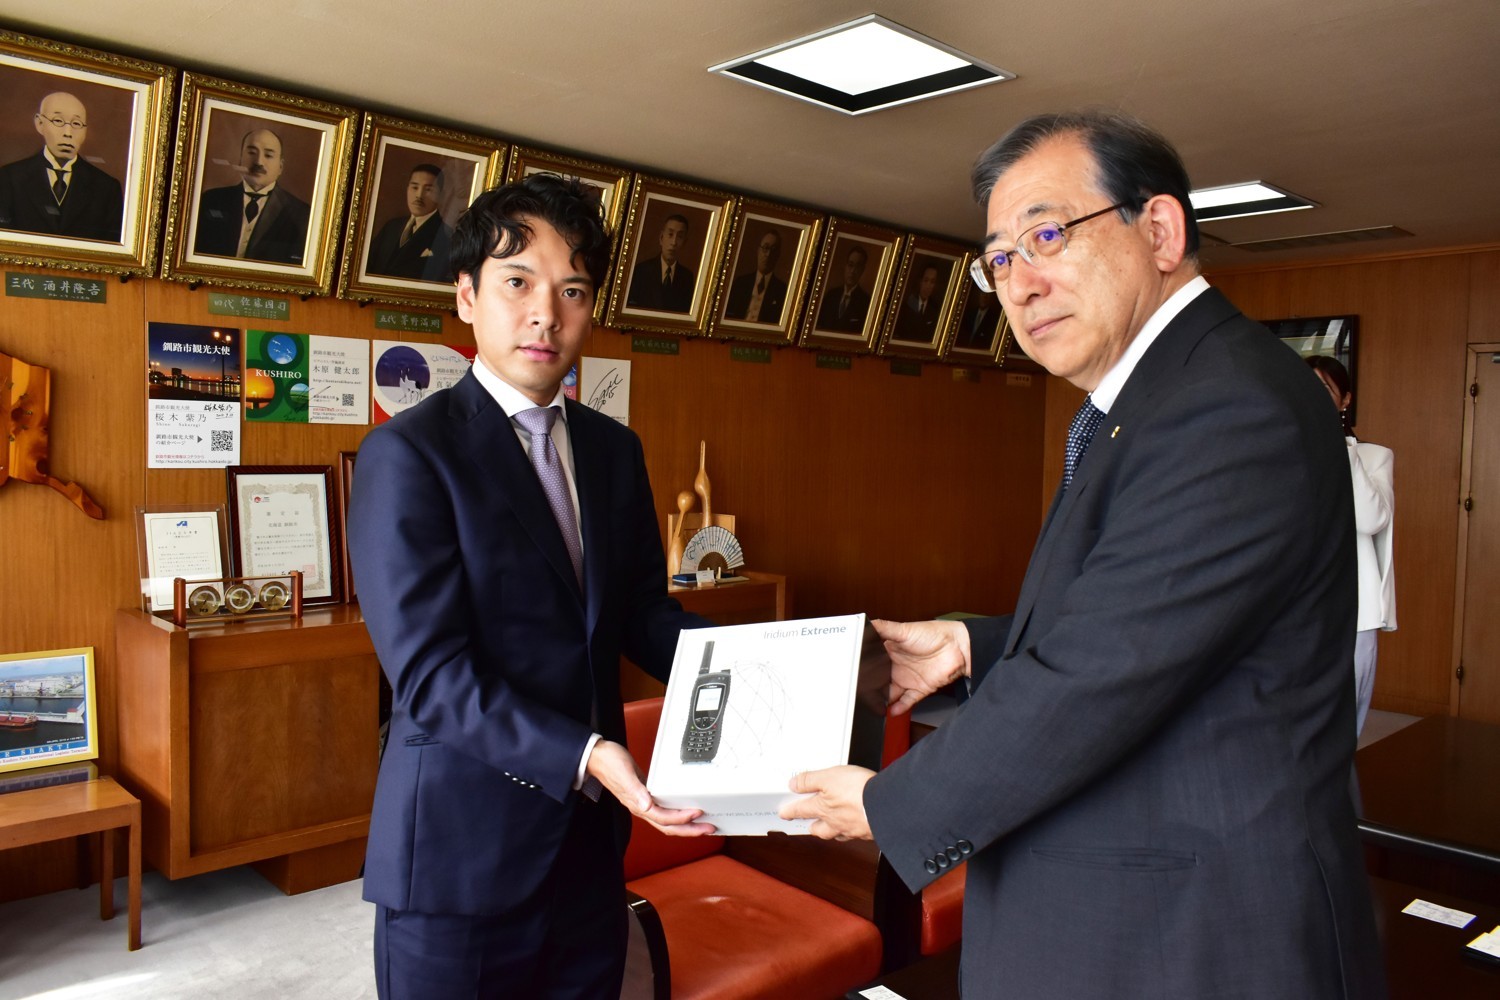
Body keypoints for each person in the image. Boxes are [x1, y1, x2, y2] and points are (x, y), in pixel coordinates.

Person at [785, 110, 1385, 998]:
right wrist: (973, 645)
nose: (1021, 285)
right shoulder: (1151, 398)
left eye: (1047, 235)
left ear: (1160, 230)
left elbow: (1102, 672)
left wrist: (889, 805)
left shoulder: (1226, 405)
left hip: (1195, 937)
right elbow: (1143, 612)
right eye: (998, 260)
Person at [348, 173, 713, 999]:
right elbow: (431, 676)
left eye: (572, 290)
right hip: (459, 852)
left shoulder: (614, 450)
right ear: (467, 297)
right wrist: (585, 754)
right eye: (518, 282)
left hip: (587, 850)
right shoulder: (409, 454)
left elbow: (643, 617)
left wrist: (775, 660)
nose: (546, 313)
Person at [1308, 354, 1396, 735]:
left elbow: (1372, 518)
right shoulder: (1288, 451)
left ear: (1345, 400)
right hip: (1298, 605)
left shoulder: (1374, 457)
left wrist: (1340, 445)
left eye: (1324, 388)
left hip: (1356, 612)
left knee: (1346, 726)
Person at [0, 91, 123, 242]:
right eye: (58, 121)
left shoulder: (107, 188)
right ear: (40, 124)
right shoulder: (8, 178)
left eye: (76, 124)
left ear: (85, 130)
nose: (68, 133)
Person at [193, 127, 310, 265]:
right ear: (240, 159)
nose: (259, 162)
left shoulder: (302, 215)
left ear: (280, 167)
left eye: (268, 155)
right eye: (252, 153)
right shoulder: (210, 200)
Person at [366, 164, 452, 281]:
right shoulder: (392, 226)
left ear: (441, 195)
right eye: (415, 187)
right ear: (407, 189)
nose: (419, 195)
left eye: (428, 189)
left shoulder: (447, 236)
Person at [625, 212, 694, 311]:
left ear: (684, 243)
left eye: (679, 236)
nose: (674, 242)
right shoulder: (641, 271)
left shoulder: (687, 278)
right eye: (670, 234)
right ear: (661, 238)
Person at [723, 228, 788, 323]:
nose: (768, 254)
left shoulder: (782, 290)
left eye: (773, 250)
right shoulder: (740, 283)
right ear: (758, 250)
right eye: (765, 248)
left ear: (777, 255)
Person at [815, 243, 871, 333]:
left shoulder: (866, 302)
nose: (852, 271)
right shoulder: (830, 296)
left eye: (858, 267)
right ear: (845, 266)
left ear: (862, 270)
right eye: (850, 265)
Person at [893, 262, 942, 342]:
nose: (928, 285)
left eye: (932, 282)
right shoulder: (907, 304)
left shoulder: (936, 309)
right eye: (926, 280)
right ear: (920, 281)